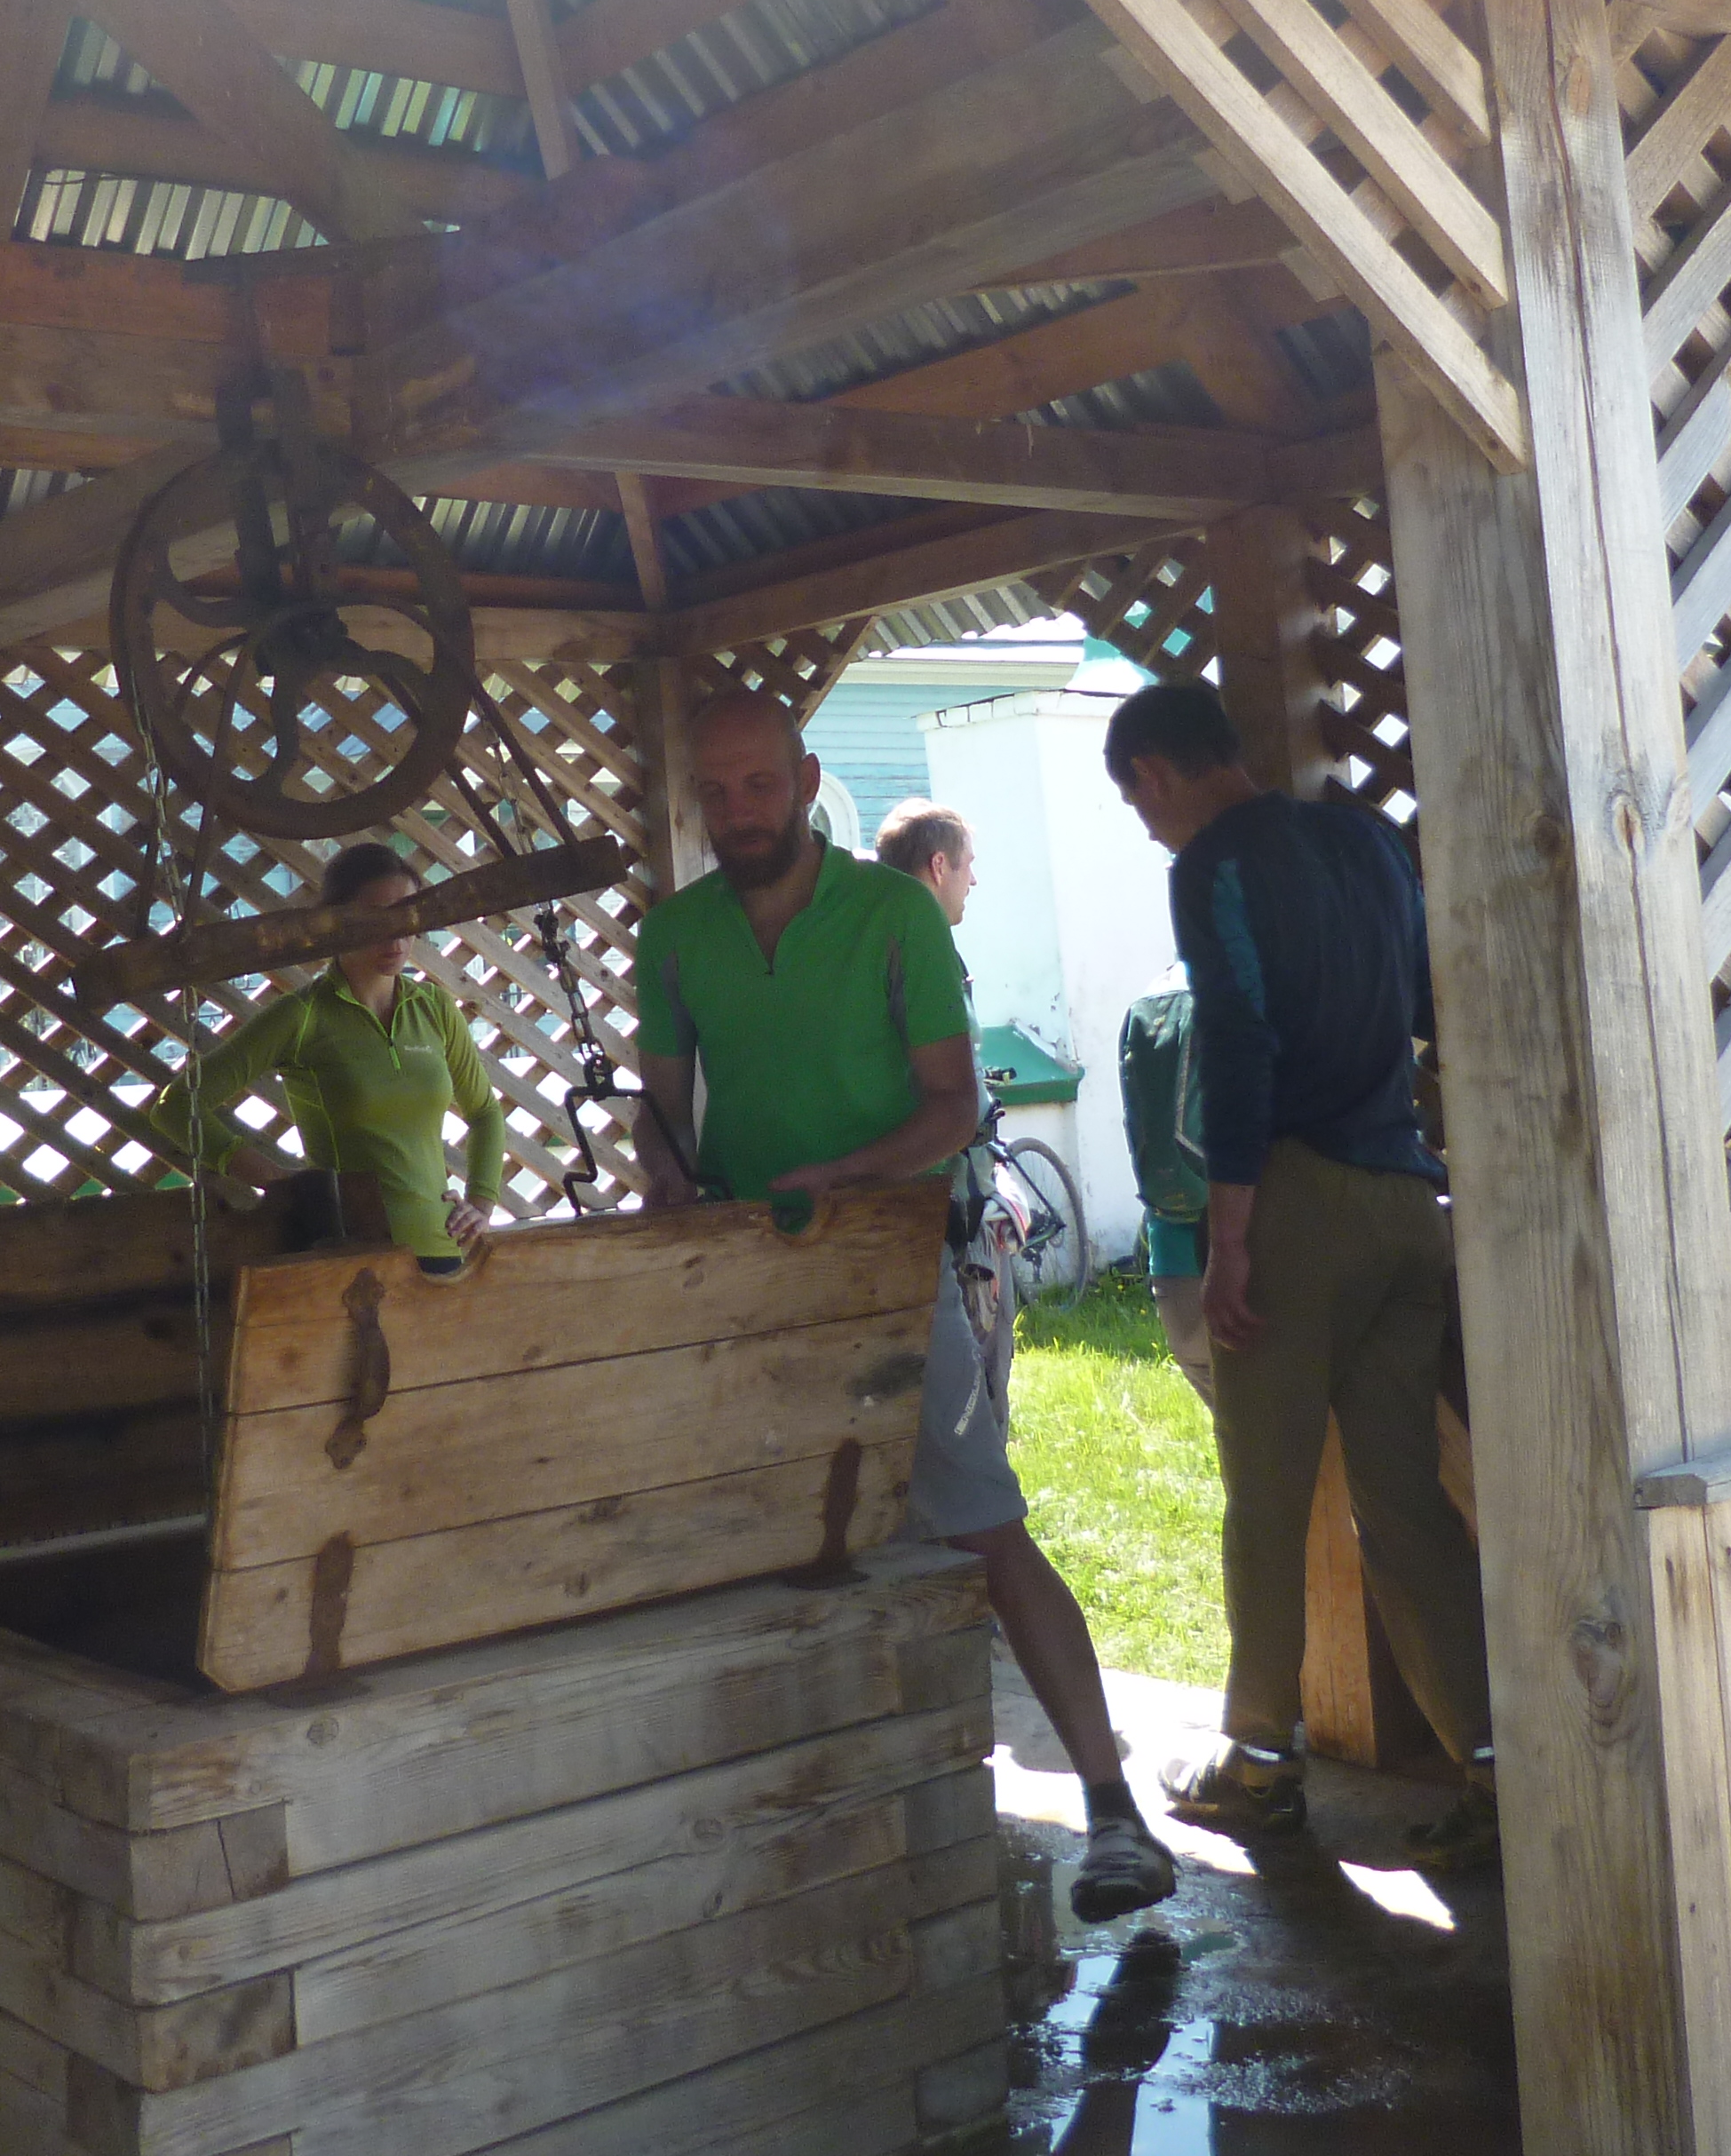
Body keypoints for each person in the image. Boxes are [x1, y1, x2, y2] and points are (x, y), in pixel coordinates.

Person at [636, 694, 1179, 1922]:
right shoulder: (673, 936)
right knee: (776, 1548)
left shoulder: (892, 915)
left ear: (806, 780)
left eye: (759, 786)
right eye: (715, 792)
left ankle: (1113, 1813)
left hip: (886, 1265)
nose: (738, 813)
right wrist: (662, 1170)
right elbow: (658, 1112)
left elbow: (953, 1106)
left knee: (982, 1522)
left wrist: (843, 1177)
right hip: (744, 1281)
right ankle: (825, 1829)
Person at [1104, 677, 1494, 1870]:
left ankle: (1262, 1767)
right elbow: (1426, 1002)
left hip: (1298, 1205)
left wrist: (1230, 1238)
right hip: (1403, 1204)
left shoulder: (1213, 864)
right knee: (1405, 1503)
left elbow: (1238, 1041)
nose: (1148, 829)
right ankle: (1496, 1765)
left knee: (1266, 1503)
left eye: (1138, 805)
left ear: (1157, 772)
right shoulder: (1368, 843)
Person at [152, 841, 500, 1277]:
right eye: (376, 919)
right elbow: (176, 1106)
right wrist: (276, 1180)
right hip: (352, 1257)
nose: (396, 938)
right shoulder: (302, 1016)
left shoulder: (434, 1007)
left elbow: (485, 1112)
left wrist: (481, 1203)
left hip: (444, 1248)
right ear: (336, 921)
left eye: (407, 917)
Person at [1114, 961, 1219, 1408]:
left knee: (1231, 1428)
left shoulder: (1149, 999)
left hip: (1172, 1259)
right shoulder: (1246, 987)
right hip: (1249, 1254)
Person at [875, 798, 977, 928]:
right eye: (968, 864)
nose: (973, 881)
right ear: (939, 866)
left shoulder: (868, 932)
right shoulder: (925, 939)